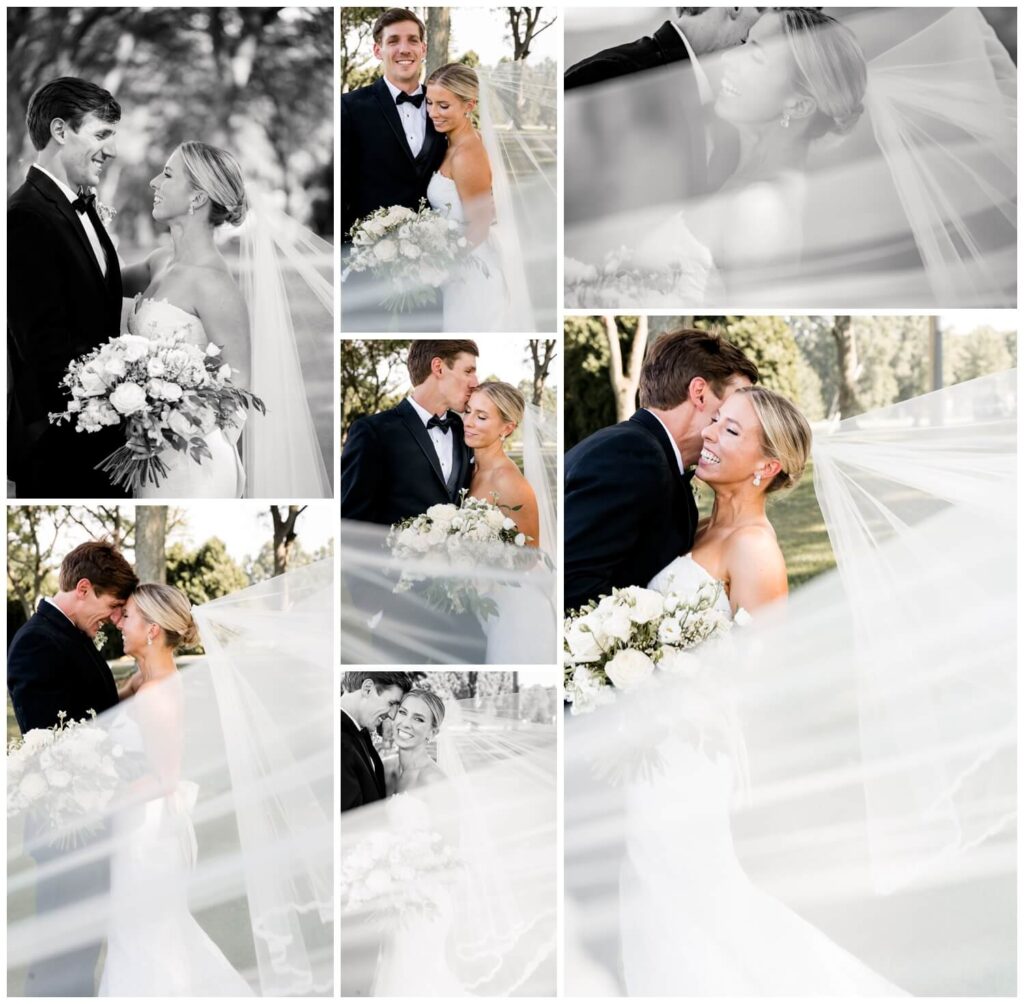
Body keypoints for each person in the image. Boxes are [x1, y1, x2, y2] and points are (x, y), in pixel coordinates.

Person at [565, 7, 1016, 307]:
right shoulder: (736, 163)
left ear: (798, 105)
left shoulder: (762, 208)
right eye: (744, 45)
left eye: (756, 55)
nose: (732, 62)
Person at [98, 585, 253, 996]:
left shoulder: (154, 695)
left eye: (127, 616)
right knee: (144, 933)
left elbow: (165, 778)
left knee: (144, 937)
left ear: (151, 630)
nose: (119, 622)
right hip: (144, 827)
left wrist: (101, 800)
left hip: (147, 836)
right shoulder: (146, 682)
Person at [7, 541, 137, 998]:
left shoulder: (71, 634)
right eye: (113, 605)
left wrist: (128, 693)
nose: (114, 618)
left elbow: (87, 715)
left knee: (82, 953)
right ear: (84, 588)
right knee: (62, 962)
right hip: (66, 830)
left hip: (92, 823)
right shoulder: (36, 642)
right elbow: (55, 742)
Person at [564, 328, 758, 611]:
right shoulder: (633, 456)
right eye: (735, 401)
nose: (741, 412)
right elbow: (574, 588)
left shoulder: (651, 454)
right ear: (699, 393)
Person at [7, 78, 127, 498]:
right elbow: (43, 350)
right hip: (61, 448)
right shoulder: (24, 217)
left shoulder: (79, 206)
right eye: (101, 134)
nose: (111, 150)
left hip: (104, 442)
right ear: (60, 131)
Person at [340, 8, 446, 330]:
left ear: (423, 49)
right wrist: (352, 256)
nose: (404, 49)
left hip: (434, 266)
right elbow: (342, 189)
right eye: (393, 41)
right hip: (366, 266)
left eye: (413, 40)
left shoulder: (444, 105)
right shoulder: (349, 107)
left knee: (430, 339)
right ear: (378, 50)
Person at [425, 64, 517, 331]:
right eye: (430, 103)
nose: (433, 113)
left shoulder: (467, 154)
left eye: (444, 106)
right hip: (459, 272)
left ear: (469, 105)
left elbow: (480, 225)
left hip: (473, 275)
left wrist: (438, 262)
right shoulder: (451, 144)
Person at [339, 672, 414, 812]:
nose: (392, 715)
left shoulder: (359, 732)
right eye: (391, 703)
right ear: (368, 689)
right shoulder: (340, 742)